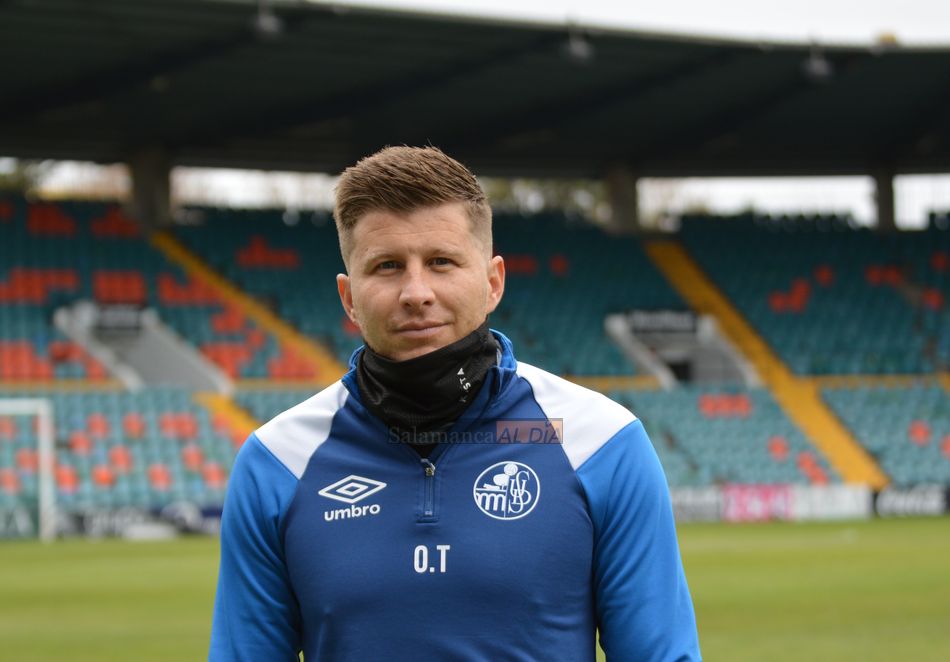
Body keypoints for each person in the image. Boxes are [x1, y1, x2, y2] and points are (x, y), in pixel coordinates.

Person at [209, 146, 700, 661]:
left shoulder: (602, 443)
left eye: (441, 262)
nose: (415, 292)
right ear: (348, 296)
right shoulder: (276, 462)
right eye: (386, 266)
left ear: (492, 283)